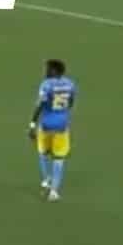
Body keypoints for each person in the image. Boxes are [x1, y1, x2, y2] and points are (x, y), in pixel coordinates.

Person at [30, 57, 76, 201]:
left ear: (54, 70)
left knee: (43, 152)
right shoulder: (70, 84)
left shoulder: (46, 85)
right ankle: (54, 191)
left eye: (47, 69)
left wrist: (32, 124)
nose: (45, 71)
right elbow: (71, 102)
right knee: (59, 157)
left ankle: (46, 180)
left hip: (46, 124)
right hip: (62, 125)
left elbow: (39, 105)